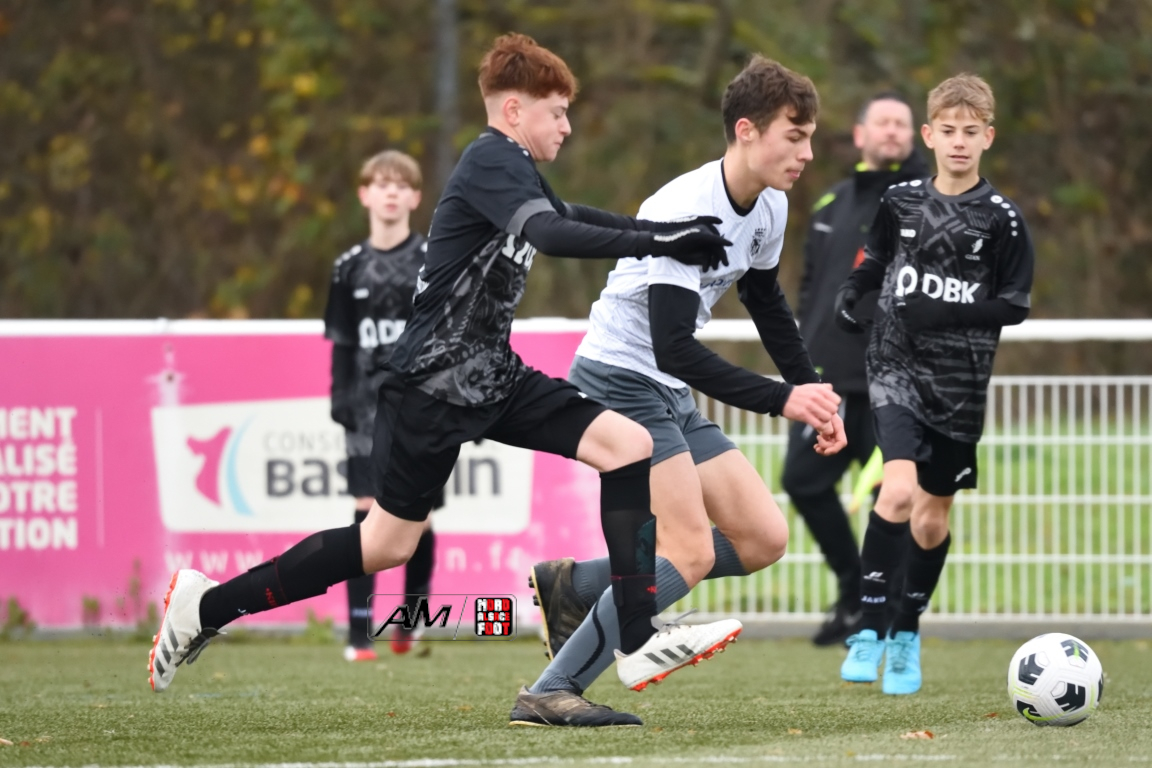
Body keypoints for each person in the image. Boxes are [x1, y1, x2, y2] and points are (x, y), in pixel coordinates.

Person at [148, 32, 736, 694]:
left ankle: (634, 637)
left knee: (627, 445)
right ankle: (207, 607)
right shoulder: (490, 159)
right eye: (557, 112)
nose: (567, 127)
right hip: (430, 386)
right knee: (384, 545)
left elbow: (571, 214)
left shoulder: (517, 169)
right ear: (513, 110)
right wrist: (664, 239)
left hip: (492, 377)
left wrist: (665, 236)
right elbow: (551, 232)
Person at [510, 56, 848, 728]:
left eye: (810, 137)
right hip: (619, 378)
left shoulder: (771, 204)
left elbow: (765, 302)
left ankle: (576, 585)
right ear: (747, 130)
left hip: (664, 386)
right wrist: (782, 400)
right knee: (687, 550)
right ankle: (551, 690)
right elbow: (675, 346)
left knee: (762, 538)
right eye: (795, 136)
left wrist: (811, 390)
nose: (807, 153)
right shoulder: (685, 208)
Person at [834, 73, 1034, 695]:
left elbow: (1014, 306)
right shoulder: (900, 200)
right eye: (948, 131)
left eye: (971, 132)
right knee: (895, 492)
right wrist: (854, 289)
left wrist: (945, 312)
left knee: (929, 520)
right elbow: (875, 256)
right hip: (894, 365)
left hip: (959, 384)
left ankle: (906, 630)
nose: (959, 142)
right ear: (929, 134)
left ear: (988, 137)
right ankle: (869, 631)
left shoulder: (1002, 220)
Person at [781, 93, 928, 647]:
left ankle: (882, 616)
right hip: (828, 381)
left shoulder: (927, 202)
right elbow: (810, 289)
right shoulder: (829, 203)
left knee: (891, 500)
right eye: (882, 122)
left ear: (914, 136)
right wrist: (802, 359)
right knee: (801, 480)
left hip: (896, 381)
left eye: (902, 123)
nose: (892, 131)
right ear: (860, 134)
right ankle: (851, 591)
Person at [323, 150, 438, 661]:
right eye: (382, 184)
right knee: (365, 513)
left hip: (420, 409)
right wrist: (340, 402)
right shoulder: (347, 267)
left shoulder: (433, 259)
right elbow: (342, 344)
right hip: (366, 412)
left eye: (401, 185)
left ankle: (410, 622)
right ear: (364, 195)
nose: (391, 192)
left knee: (419, 519)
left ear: (415, 197)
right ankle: (358, 632)